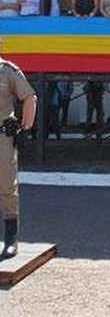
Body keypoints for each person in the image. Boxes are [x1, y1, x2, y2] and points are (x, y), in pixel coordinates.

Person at [0, 36, 37, 258]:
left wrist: (25, 127)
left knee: (6, 185)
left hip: (2, 136)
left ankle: (11, 239)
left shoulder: (8, 71)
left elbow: (29, 97)